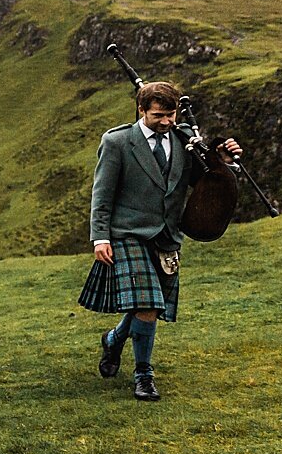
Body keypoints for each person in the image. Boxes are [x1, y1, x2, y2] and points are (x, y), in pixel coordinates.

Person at [83, 81, 242, 402]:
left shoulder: (184, 140)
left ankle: (114, 340)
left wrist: (222, 162)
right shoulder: (117, 142)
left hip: (168, 235)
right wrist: (100, 237)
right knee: (149, 304)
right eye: (159, 115)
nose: (167, 121)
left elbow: (202, 182)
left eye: (171, 115)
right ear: (141, 110)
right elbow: (102, 194)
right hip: (128, 233)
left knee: (148, 304)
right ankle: (143, 375)